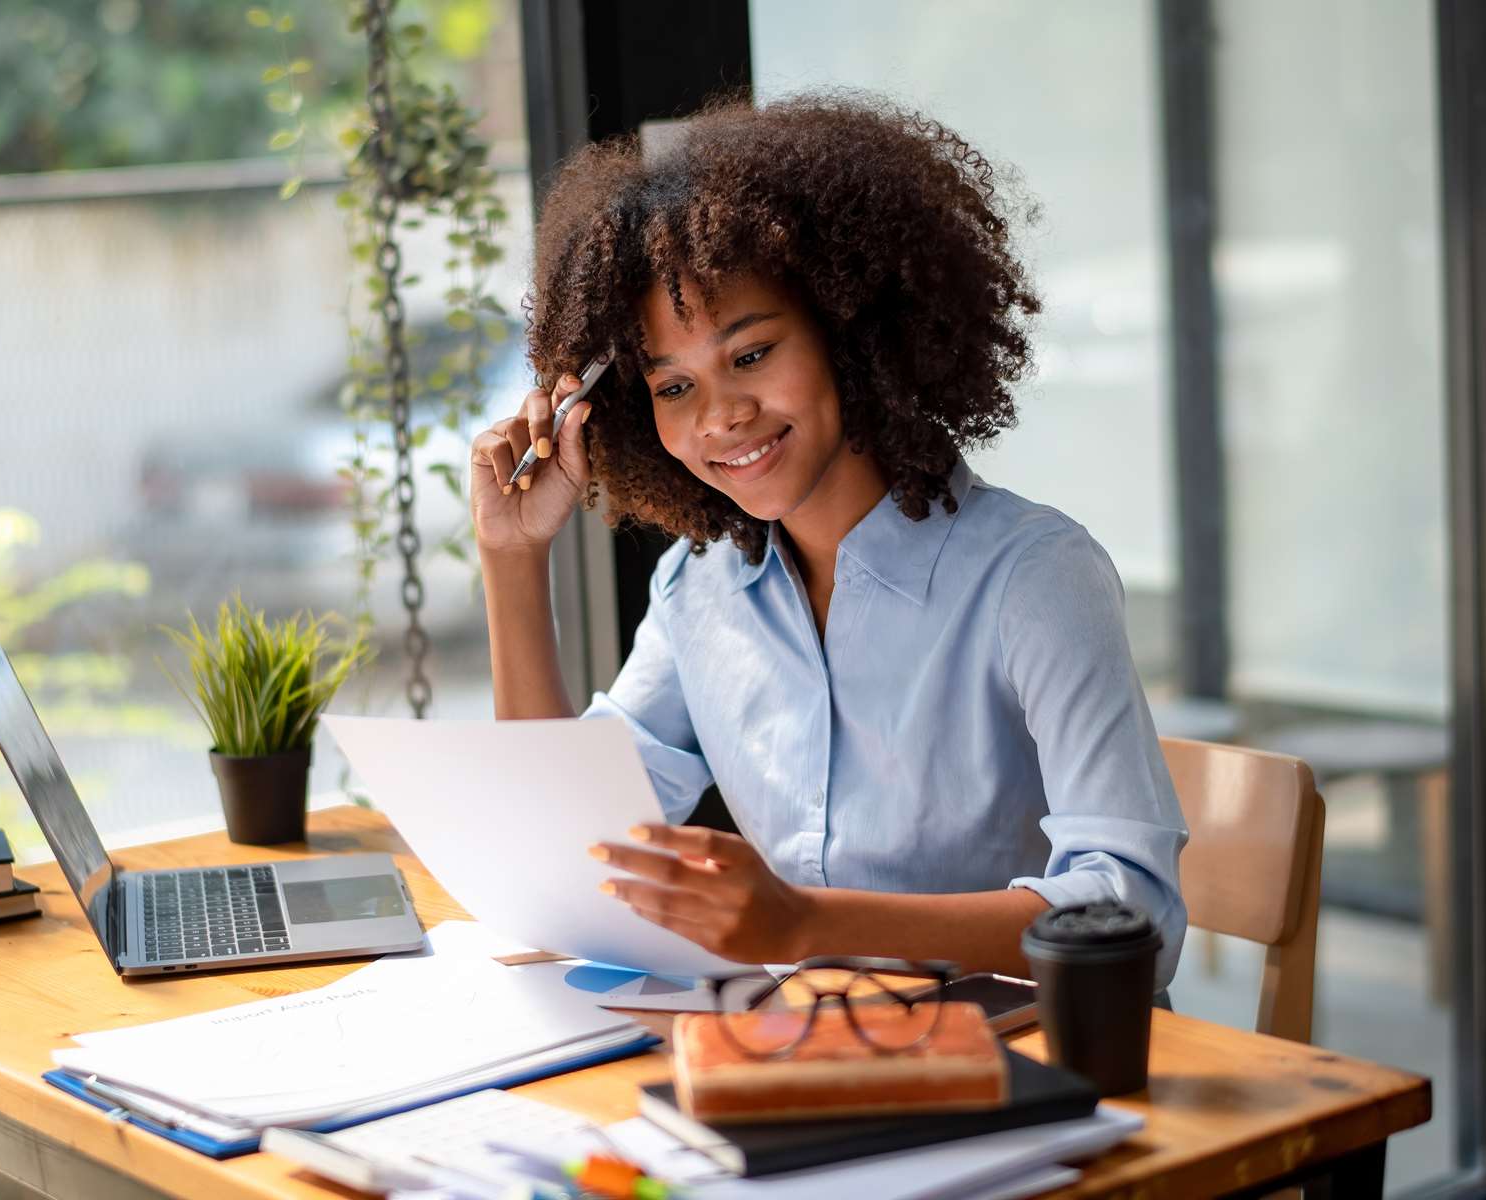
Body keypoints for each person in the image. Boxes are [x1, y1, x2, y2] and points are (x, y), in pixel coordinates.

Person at [469, 94, 1187, 988]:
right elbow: (559, 855)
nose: (722, 416)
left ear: (851, 333)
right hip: (807, 1046)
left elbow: (1135, 914)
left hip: (1016, 1067)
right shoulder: (702, 587)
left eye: (752, 354)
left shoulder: (1032, 579)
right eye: (674, 387)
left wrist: (806, 923)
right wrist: (512, 556)